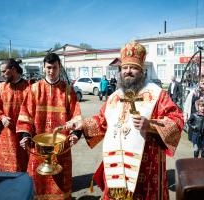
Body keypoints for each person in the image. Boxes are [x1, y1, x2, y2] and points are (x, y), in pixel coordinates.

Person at [64, 41, 183, 200]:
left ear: (142, 70)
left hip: (145, 166)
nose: (128, 71)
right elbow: (102, 121)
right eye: (125, 68)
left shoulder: (158, 94)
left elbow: (176, 120)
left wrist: (151, 125)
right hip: (116, 165)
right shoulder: (115, 96)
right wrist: (83, 124)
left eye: (133, 68)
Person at [17, 53, 82, 200]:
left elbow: (76, 116)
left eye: (54, 68)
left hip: (61, 148)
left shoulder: (67, 90)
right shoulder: (34, 89)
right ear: (44, 68)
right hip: (38, 147)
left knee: (61, 184)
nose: (51, 71)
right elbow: (25, 115)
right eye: (48, 68)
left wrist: (75, 134)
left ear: (59, 67)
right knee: (37, 183)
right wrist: (25, 135)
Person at [0, 58, 29, 172]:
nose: (1, 75)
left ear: (13, 69)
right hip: (6, 134)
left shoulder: (29, 87)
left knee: (23, 163)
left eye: (3, 71)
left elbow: (33, 111)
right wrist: (2, 117)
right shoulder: (0, 87)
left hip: (23, 133)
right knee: (4, 163)